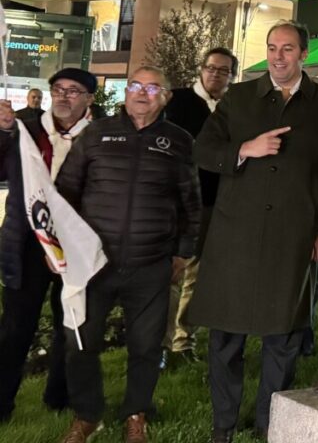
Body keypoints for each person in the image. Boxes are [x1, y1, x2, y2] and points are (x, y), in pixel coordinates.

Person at [189, 21, 318, 442]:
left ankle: (268, 421)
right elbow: (201, 150)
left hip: (294, 233)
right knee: (227, 335)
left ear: (304, 54)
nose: (278, 56)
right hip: (235, 233)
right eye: (272, 48)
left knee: (284, 334)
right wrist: (244, 149)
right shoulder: (238, 98)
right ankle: (223, 424)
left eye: (288, 49)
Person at [56, 66, 201, 443]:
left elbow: (191, 204)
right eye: (136, 85)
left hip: (151, 263)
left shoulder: (179, 141)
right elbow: (65, 191)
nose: (142, 93)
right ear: (125, 93)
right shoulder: (97, 134)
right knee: (80, 342)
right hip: (93, 264)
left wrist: (183, 254)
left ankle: (136, 413)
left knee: (146, 346)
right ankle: (88, 416)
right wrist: (59, 246)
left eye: (153, 88)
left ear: (165, 97)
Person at [0, 69, 97, 423]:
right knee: (14, 328)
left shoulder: (101, 136)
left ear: (89, 98)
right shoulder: (24, 128)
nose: (62, 97)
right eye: (57, 89)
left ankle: (59, 396)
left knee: (69, 326)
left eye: (73, 91)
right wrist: (2, 131)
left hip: (73, 247)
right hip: (25, 245)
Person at [160, 47, 237, 369]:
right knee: (170, 274)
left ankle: (183, 342)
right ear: (200, 69)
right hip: (175, 202)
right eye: (211, 68)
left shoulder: (233, 108)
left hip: (211, 203)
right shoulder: (175, 101)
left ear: (232, 76)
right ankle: (161, 345)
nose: (215, 74)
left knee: (197, 275)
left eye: (223, 71)